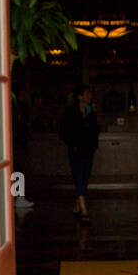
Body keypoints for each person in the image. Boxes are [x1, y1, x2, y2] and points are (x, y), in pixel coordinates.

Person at [60, 84, 99, 220]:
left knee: (85, 176)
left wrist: (94, 145)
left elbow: (95, 130)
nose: (90, 96)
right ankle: (84, 211)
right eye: (87, 94)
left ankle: (77, 205)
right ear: (80, 96)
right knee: (78, 176)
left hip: (88, 150)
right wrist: (73, 144)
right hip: (76, 150)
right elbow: (64, 132)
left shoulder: (91, 112)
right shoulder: (71, 112)